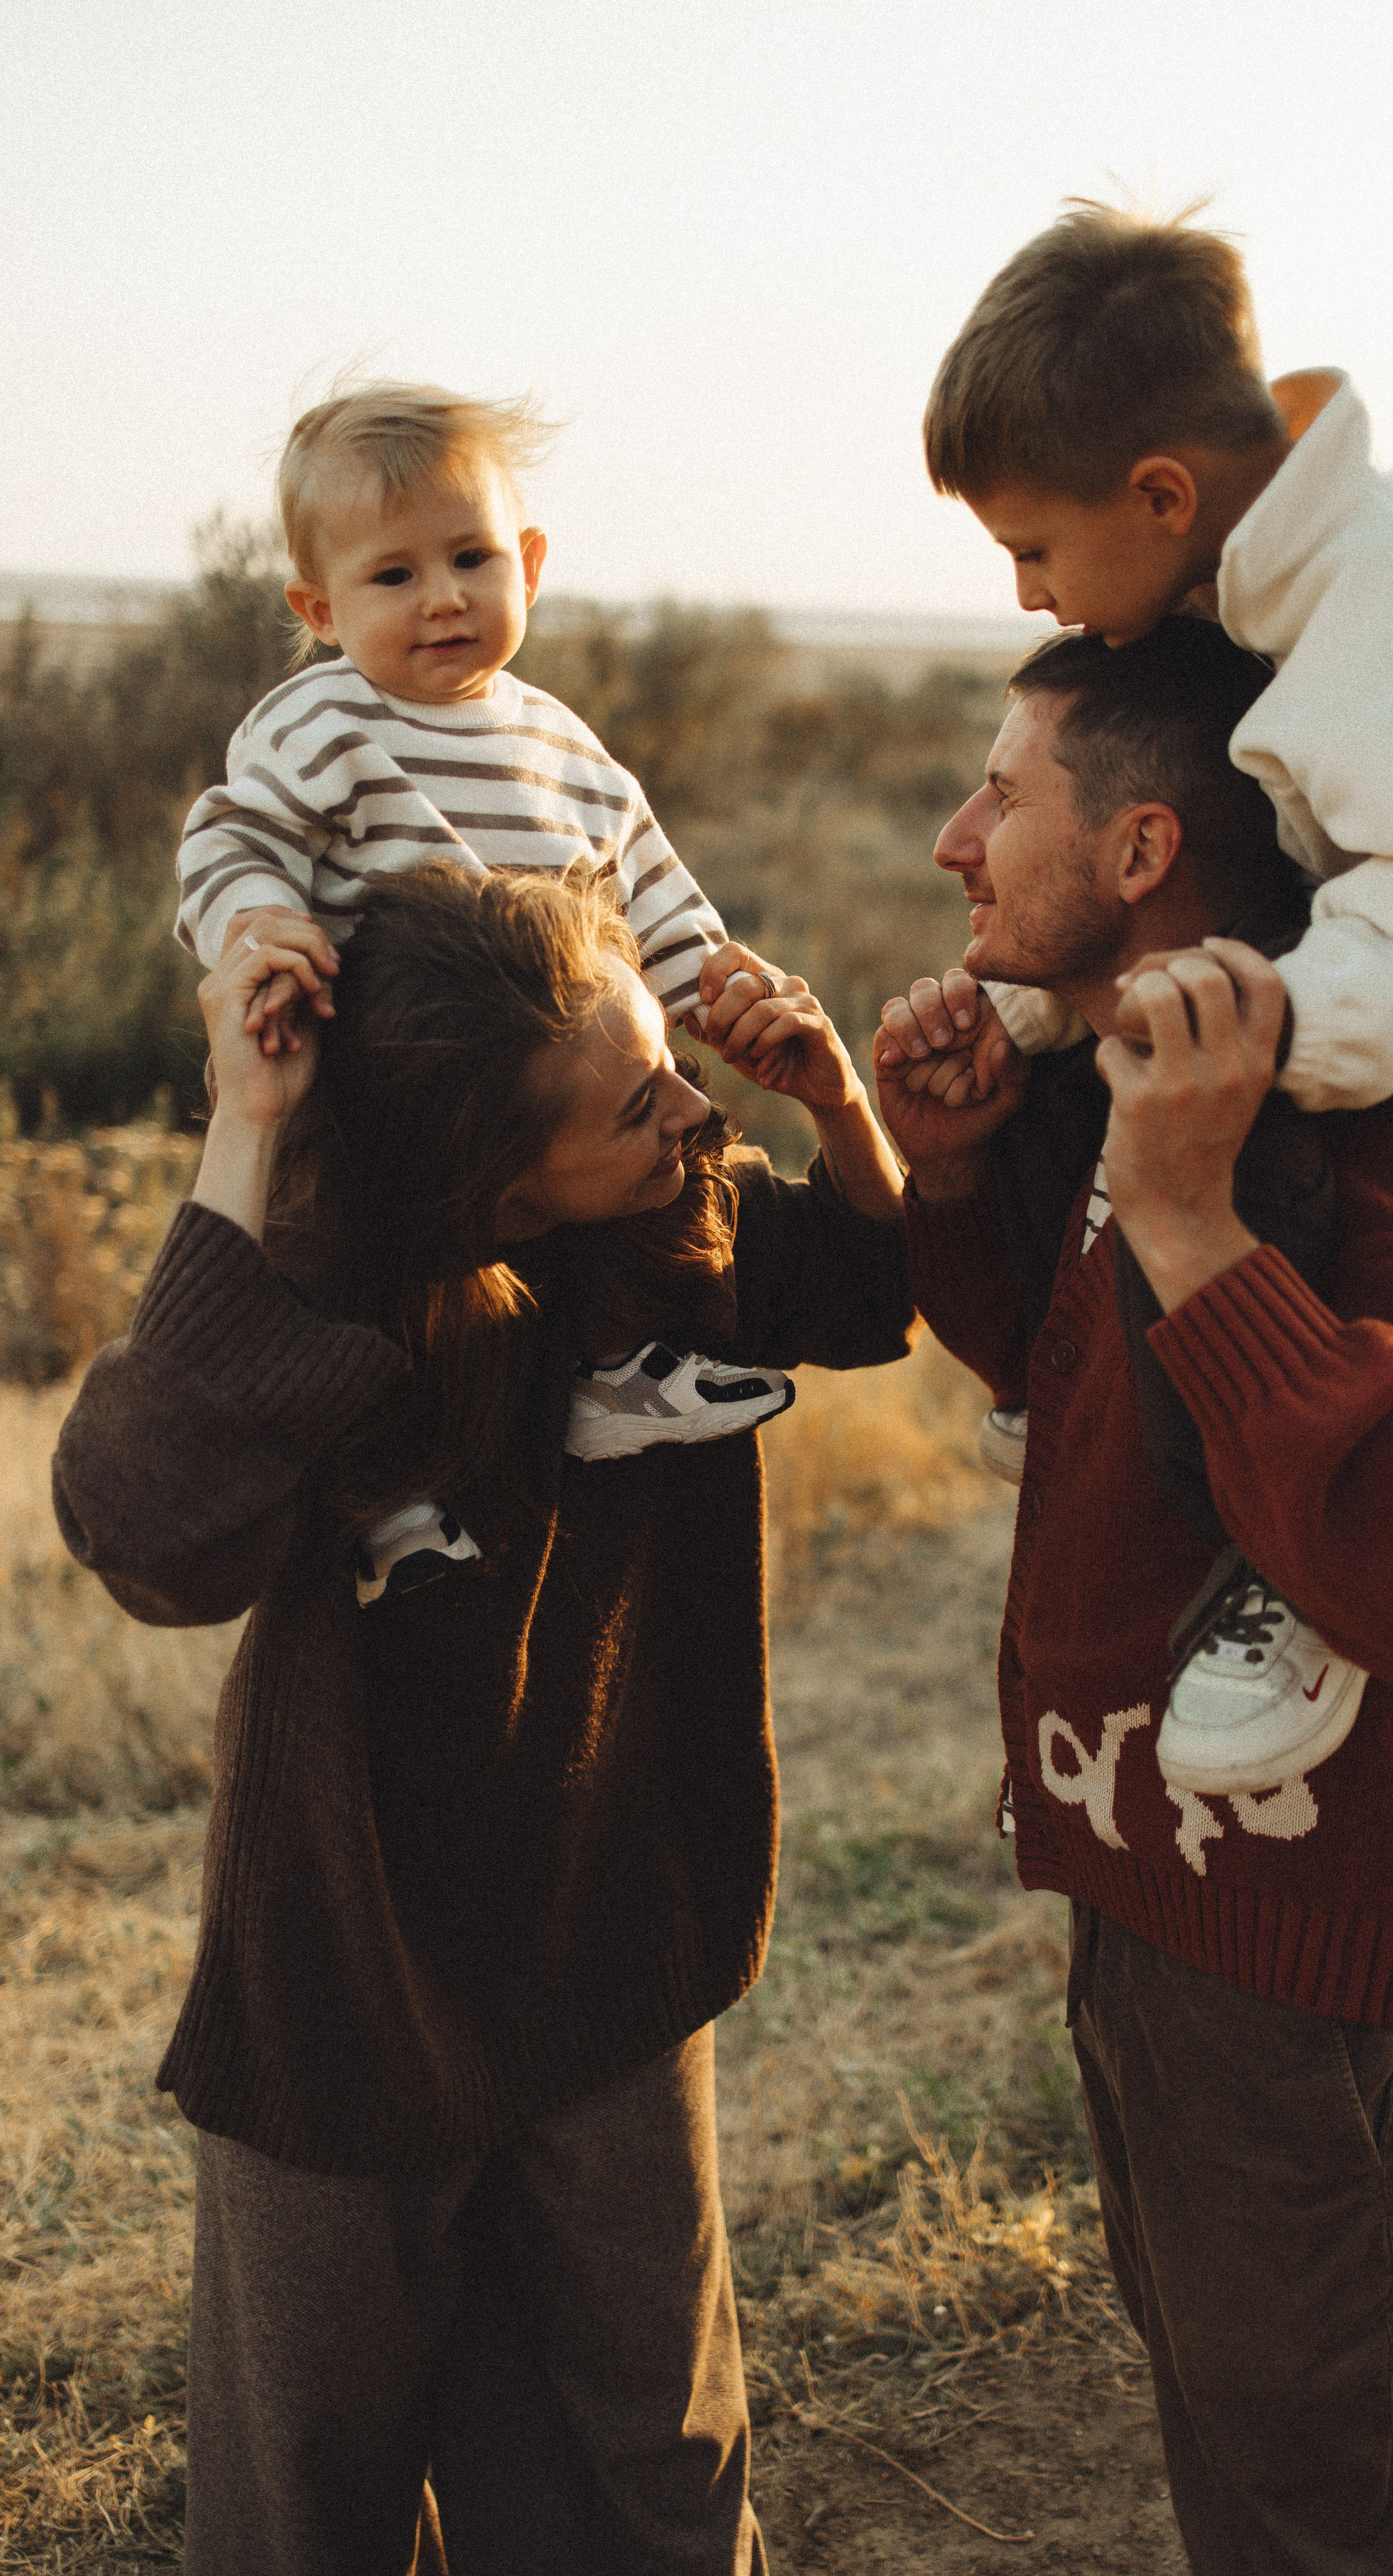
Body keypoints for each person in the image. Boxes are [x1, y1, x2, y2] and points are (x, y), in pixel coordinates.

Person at [54, 860, 913, 2573]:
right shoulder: (326, 1306)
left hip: (613, 1943)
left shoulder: (659, 1232)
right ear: (496, 1181)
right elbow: (142, 1529)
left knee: (655, 2478)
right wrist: (248, 1128)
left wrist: (837, 1102)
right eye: (635, 1105)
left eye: (669, 1070)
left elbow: (869, 1293)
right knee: (314, 2505)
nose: (693, 1114)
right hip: (347, 1992)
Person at [876, 619, 1393, 2573]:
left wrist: (1196, 1225)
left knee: (1328, 2508)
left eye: (1003, 793)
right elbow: (1093, 1393)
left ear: (1139, 851)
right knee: (1262, 2461)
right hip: (1173, 1901)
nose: (956, 839)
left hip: (1289, 1944)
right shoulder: (1147, 1089)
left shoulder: (1369, 1133)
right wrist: (954, 1180)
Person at [893, 198, 1393, 1759]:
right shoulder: (1271, 566)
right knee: (1098, 1047)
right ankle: (1073, 1385)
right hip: (1391, 914)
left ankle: (1282, 1570)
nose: (1028, 597)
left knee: (1211, 1100)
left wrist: (1232, 1026)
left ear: (1158, 493)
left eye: (1032, 550)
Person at [172, 380, 783, 1490]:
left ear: (529, 564)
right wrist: (258, 921)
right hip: (380, 1082)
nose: (445, 598)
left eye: (472, 559)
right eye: (394, 576)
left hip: (557, 1082)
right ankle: (375, 1486)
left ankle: (621, 1374)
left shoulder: (565, 747)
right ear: (321, 609)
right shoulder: (321, 722)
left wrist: (720, 988)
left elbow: (648, 889)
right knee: (356, 1271)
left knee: (646, 1190)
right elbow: (231, 837)